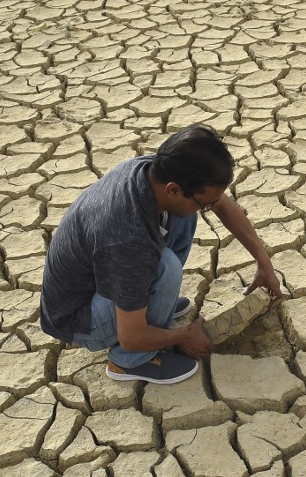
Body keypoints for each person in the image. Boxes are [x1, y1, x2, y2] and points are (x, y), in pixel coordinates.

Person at [39, 124, 283, 384]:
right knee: (165, 269)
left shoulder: (154, 171)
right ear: (174, 189)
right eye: (206, 205)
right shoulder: (128, 239)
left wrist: (263, 262)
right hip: (79, 319)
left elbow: (219, 202)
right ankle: (128, 363)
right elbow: (132, 337)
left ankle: (148, 305)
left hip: (100, 281)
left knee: (184, 217)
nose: (210, 208)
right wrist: (183, 337)